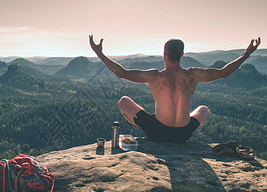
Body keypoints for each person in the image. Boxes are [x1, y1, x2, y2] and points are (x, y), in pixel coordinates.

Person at [89, 35, 261, 143]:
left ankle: (143, 129)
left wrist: (100, 54)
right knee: (204, 110)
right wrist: (246, 54)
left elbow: (122, 73)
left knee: (123, 101)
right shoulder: (193, 75)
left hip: (157, 132)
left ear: (164, 55)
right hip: (183, 134)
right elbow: (224, 73)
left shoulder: (155, 76)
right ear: (182, 55)